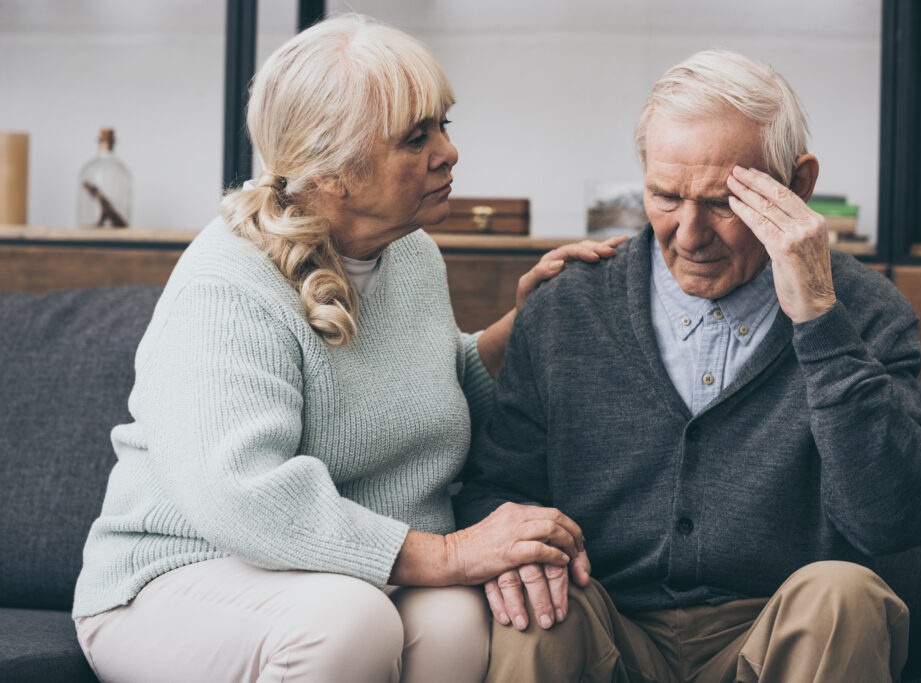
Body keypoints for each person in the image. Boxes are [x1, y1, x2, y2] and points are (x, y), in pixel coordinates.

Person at [72, 14, 623, 683]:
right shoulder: (227, 282)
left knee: (455, 619)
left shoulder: (410, 254)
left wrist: (522, 328)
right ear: (331, 171)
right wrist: (447, 552)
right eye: (415, 138)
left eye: (445, 125)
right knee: (348, 622)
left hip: (329, 573)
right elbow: (242, 495)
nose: (448, 153)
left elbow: (428, 386)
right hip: (174, 577)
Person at [455, 48, 921, 683]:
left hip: (777, 634)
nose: (688, 234)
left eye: (722, 202)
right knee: (532, 611)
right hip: (605, 623)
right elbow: (492, 489)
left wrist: (821, 322)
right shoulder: (568, 305)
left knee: (844, 594)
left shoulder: (864, 310)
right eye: (664, 196)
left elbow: (897, 520)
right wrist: (514, 545)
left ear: (798, 186)